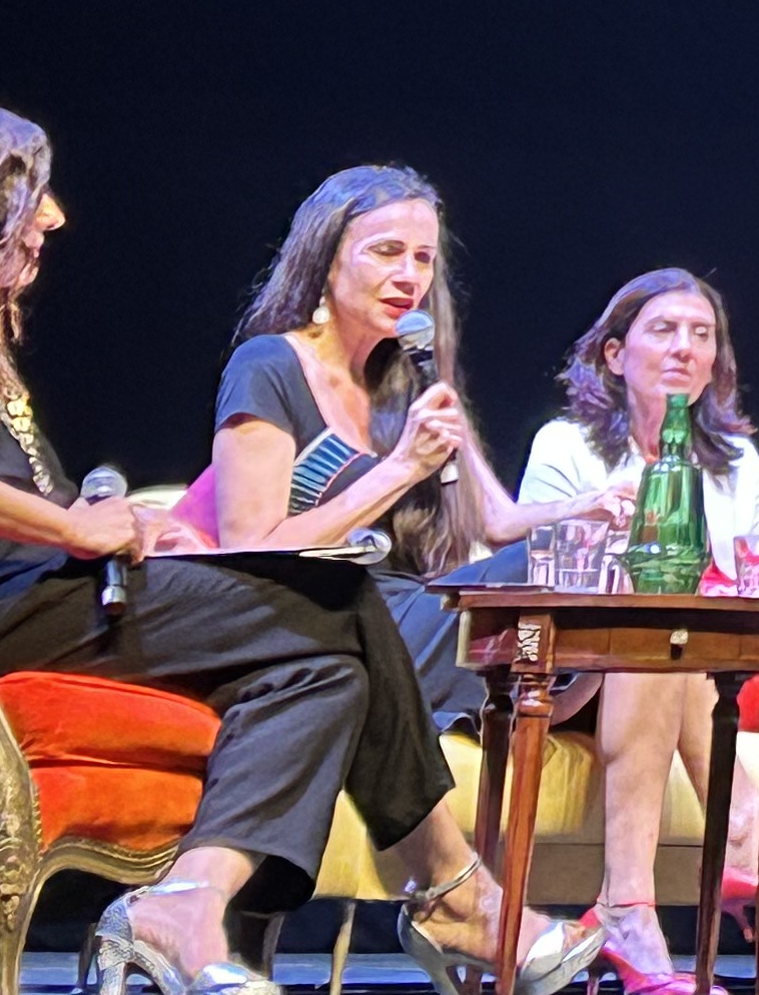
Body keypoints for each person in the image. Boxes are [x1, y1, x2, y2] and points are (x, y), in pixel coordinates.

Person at [0, 93, 597, 995]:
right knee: (340, 593)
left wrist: (132, 526)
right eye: (34, 197)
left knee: (326, 673)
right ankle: (451, 889)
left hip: (58, 592)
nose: (52, 218)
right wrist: (70, 529)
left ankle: (186, 906)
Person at [515, 268, 759, 995]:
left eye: (702, 335)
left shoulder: (733, 459)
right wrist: (602, 525)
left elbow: (755, 585)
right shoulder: (566, 445)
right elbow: (539, 576)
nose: (684, 348)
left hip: (695, 666)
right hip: (574, 670)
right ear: (614, 353)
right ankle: (747, 836)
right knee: (660, 621)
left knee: (674, 639)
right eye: (663, 330)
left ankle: (630, 909)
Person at [204, 165, 538, 728]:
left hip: (415, 606)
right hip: (328, 619)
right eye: (387, 252)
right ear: (326, 259)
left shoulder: (411, 381)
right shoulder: (268, 365)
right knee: (532, 579)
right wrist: (404, 466)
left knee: (591, 585)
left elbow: (496, 520)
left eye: (423, 259)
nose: (409, 276)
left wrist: (595, 512)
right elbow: (248, 553)